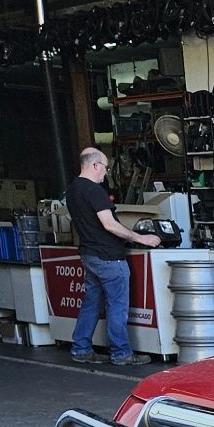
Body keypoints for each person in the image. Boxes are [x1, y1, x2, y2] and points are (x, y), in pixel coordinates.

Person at [65, 147, 161, 365]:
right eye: (106, 167)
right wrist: (141, 238)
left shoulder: (72, 190)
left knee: (91, 303)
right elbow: (109, 225)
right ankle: (121, 353)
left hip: (89, 254)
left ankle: (81, 348)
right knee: (117, 306)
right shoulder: (93, 190)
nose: (106, 173)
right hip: (109, 257)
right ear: (95, 165)